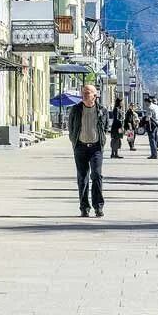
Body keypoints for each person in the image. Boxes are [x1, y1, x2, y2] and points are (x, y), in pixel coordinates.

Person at [68, 85, 110, 217]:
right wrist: (74, 141)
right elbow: (71, 127)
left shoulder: (101, 110)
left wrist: (101, 141)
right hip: (80, 147)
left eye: (88, 93)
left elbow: (105, 126)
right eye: (83, 93)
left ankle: (98, 206)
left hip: (96, 148)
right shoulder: (76, 109)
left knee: (97, 176)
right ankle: (84, 207)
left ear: (95, 95)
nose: (85, 95)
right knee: (82, 177)